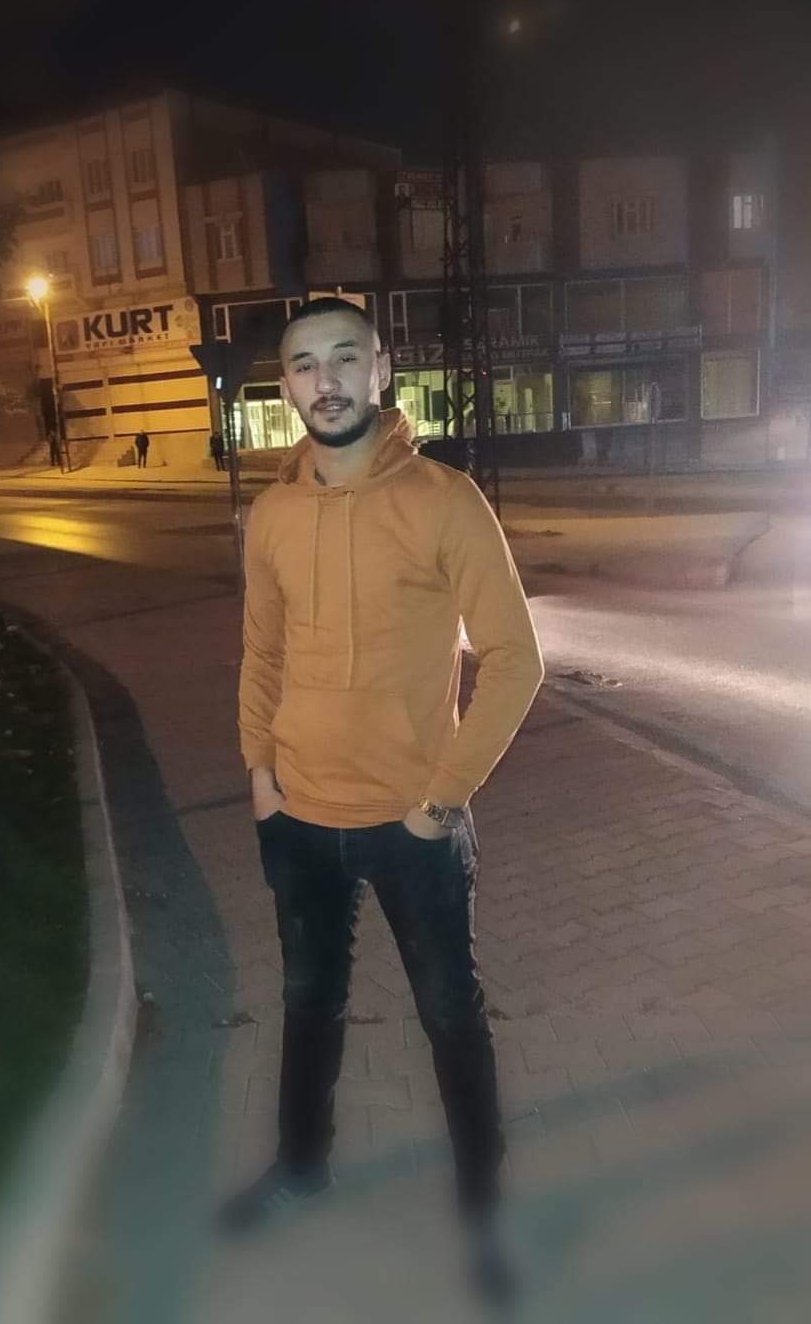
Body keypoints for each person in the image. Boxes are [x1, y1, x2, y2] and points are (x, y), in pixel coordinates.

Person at [217, 297, 543, 1307]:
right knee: (308, 998)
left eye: (345, 358)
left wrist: (441, 801)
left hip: (414, 826)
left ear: (383, 369)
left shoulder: (445, 500)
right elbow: (262, 652)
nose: (327, 381)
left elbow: (516, 659)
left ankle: (483, 1211)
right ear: (287, 385)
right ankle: (301, 1164)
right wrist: (260, 774)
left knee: (450, 1013)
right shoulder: (273, 513)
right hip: (299, 817)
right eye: (304, 365)